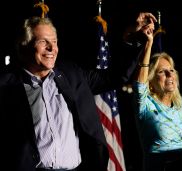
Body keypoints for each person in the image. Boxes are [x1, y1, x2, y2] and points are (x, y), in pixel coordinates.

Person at [0, 12, 157, 171]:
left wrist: (134, 37)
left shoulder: (72, 75)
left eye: (54, 42)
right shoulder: (6, 86)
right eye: (43, 42)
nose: (51, 48)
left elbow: (117, 76)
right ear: (25, 45)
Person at [132, 22, 182, 171]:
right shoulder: (146, 105)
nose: (169, 74)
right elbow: (139, 86)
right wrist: (149, 43)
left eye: (171, 70)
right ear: (151, 81)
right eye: (162, 72)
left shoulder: (181, 105)